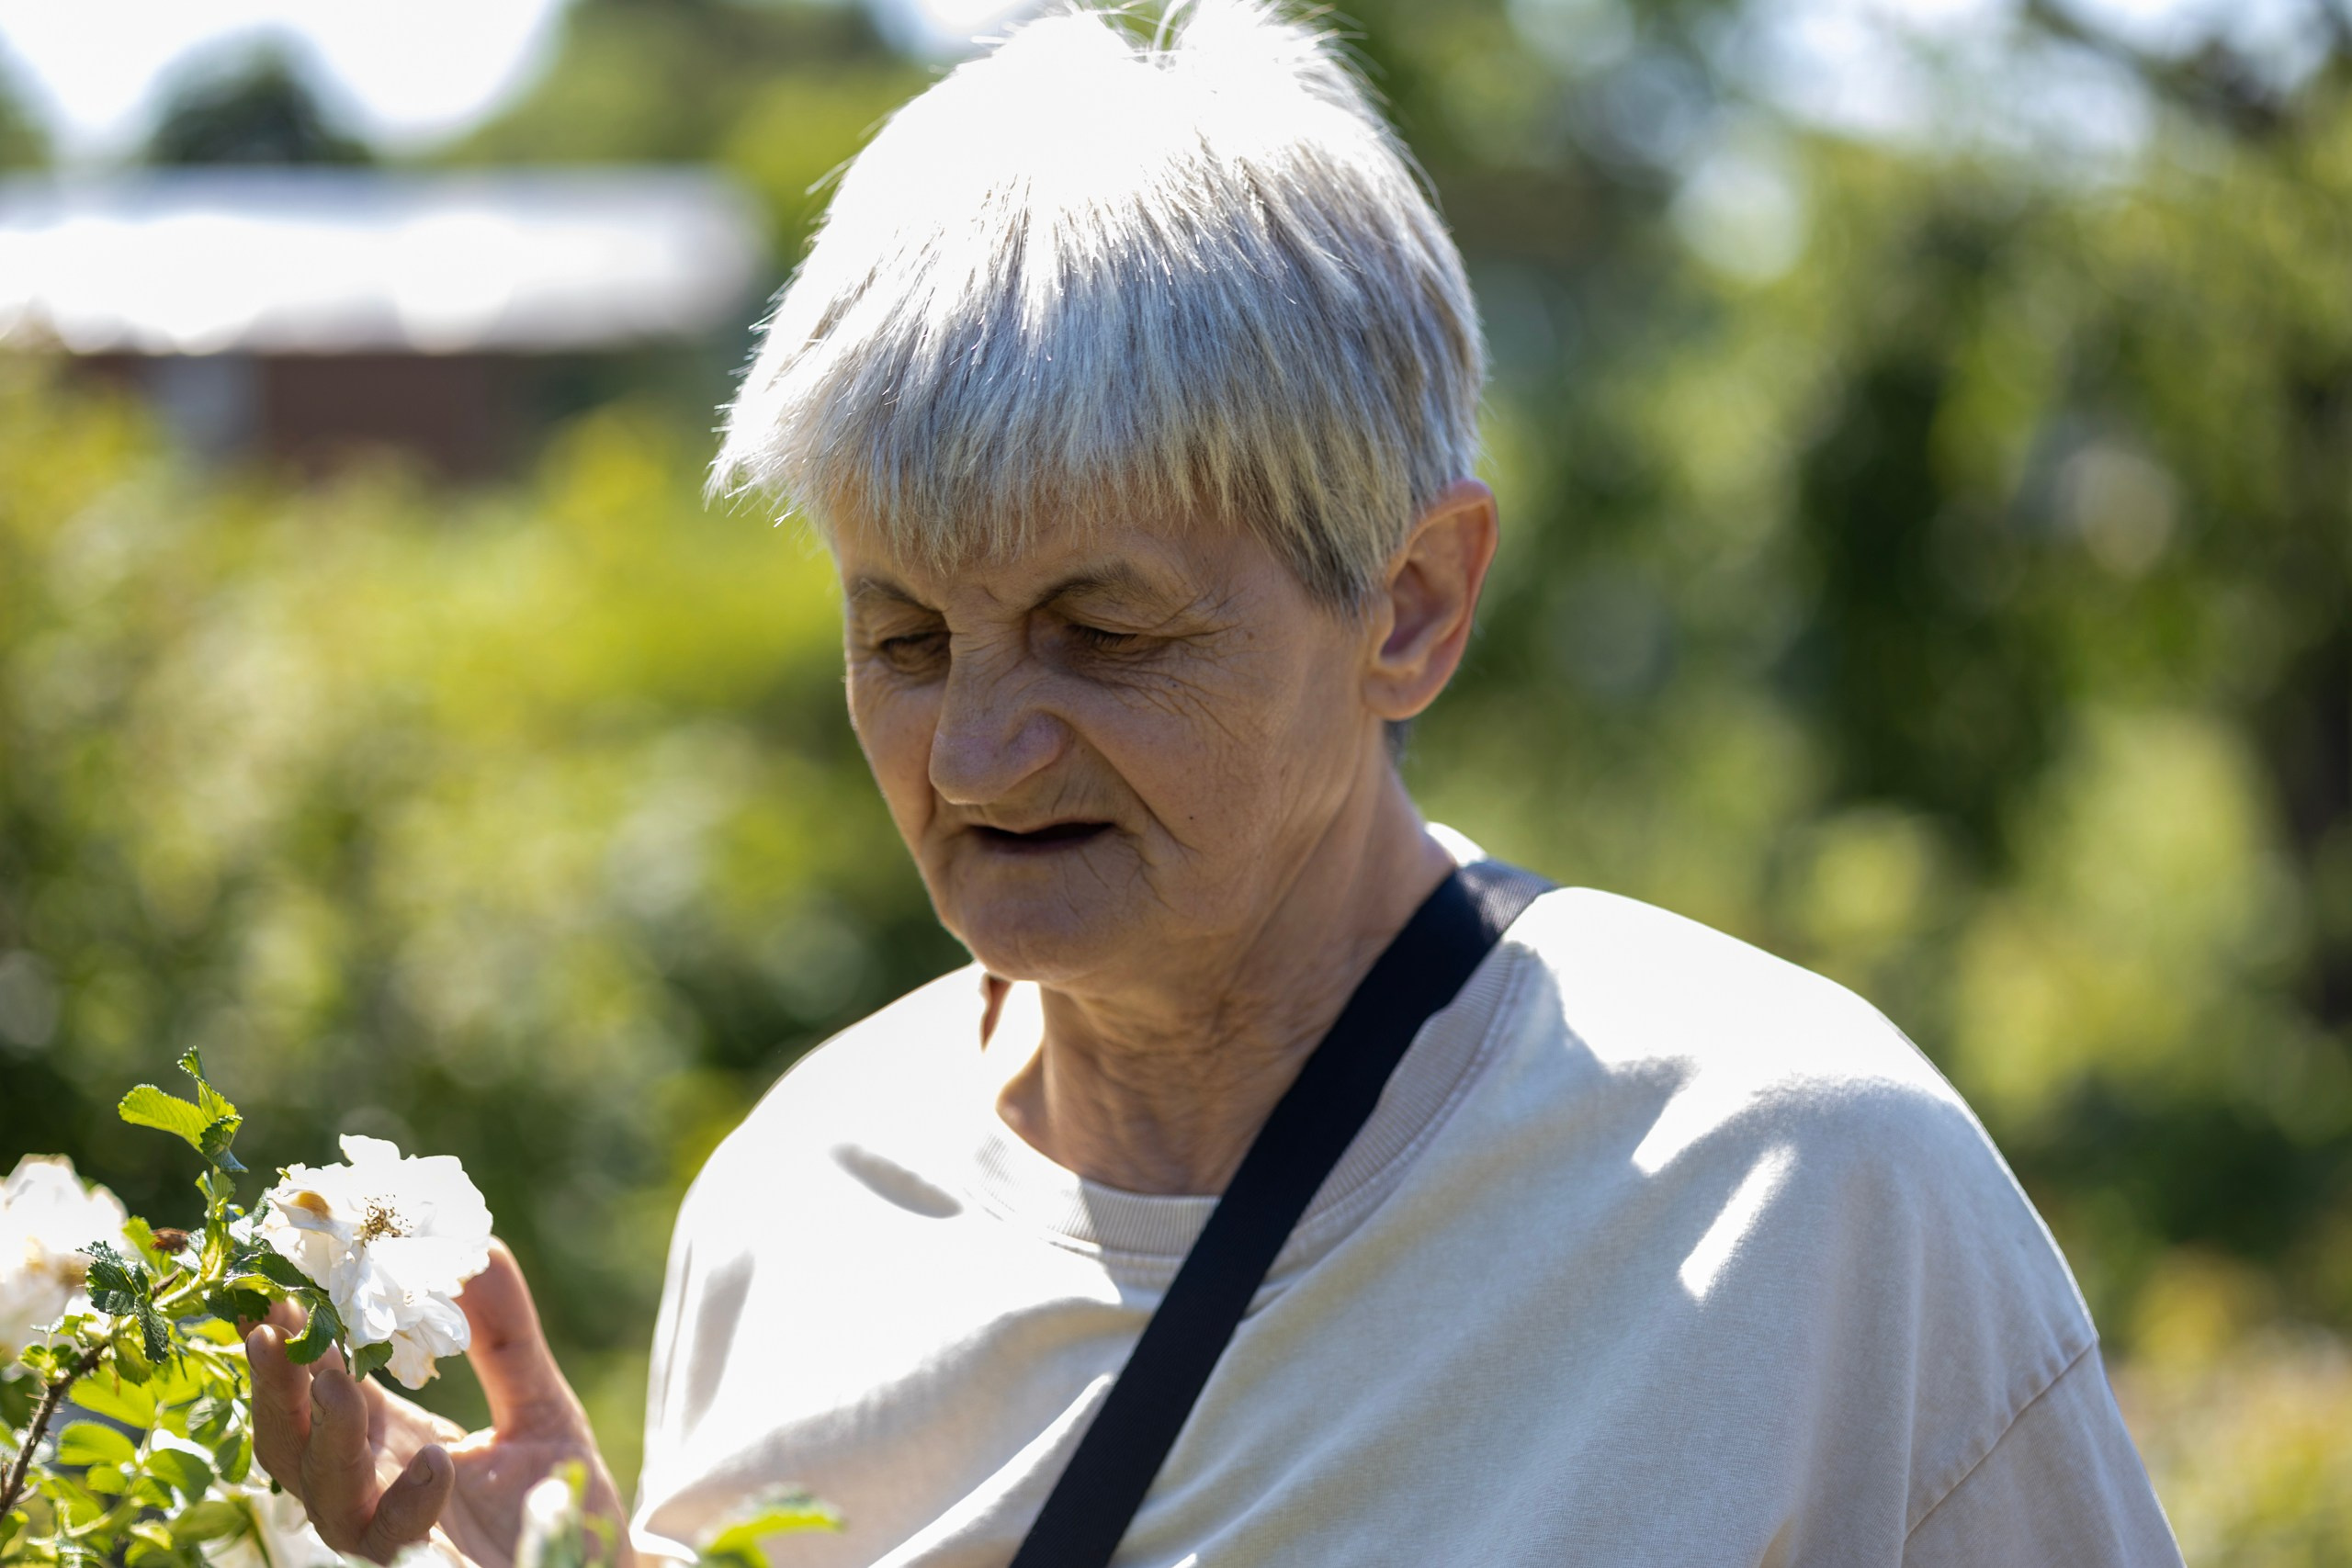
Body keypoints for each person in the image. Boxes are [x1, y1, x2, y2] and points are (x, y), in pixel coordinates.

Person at [244, 2, 2186, 1562]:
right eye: (903, 634)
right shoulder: (794, 1207)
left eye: (1104, 630)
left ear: (1410, 604)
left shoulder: (1807, 1198)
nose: (976, 751)